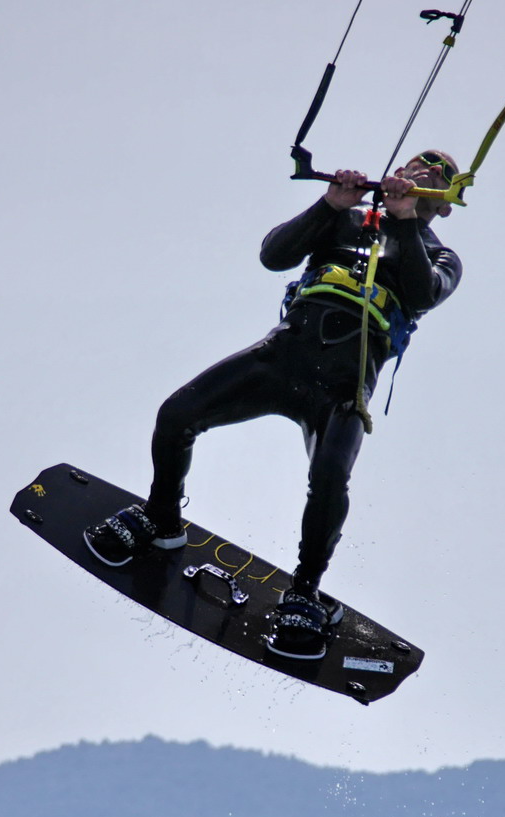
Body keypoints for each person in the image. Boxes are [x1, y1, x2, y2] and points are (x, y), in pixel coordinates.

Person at [85, 150, 463, 659]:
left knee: (330, 476)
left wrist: (403, 221)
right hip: (284, 353)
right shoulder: (347, 220)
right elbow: (274, 255)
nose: (425, 171)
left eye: (439, 173)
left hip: (345, 383)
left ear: (446, 203)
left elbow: (419, 295)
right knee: (176, 414)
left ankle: (303, 592)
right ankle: (161, 518)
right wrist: (329, 203)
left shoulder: (442, 256)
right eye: (420, 161)